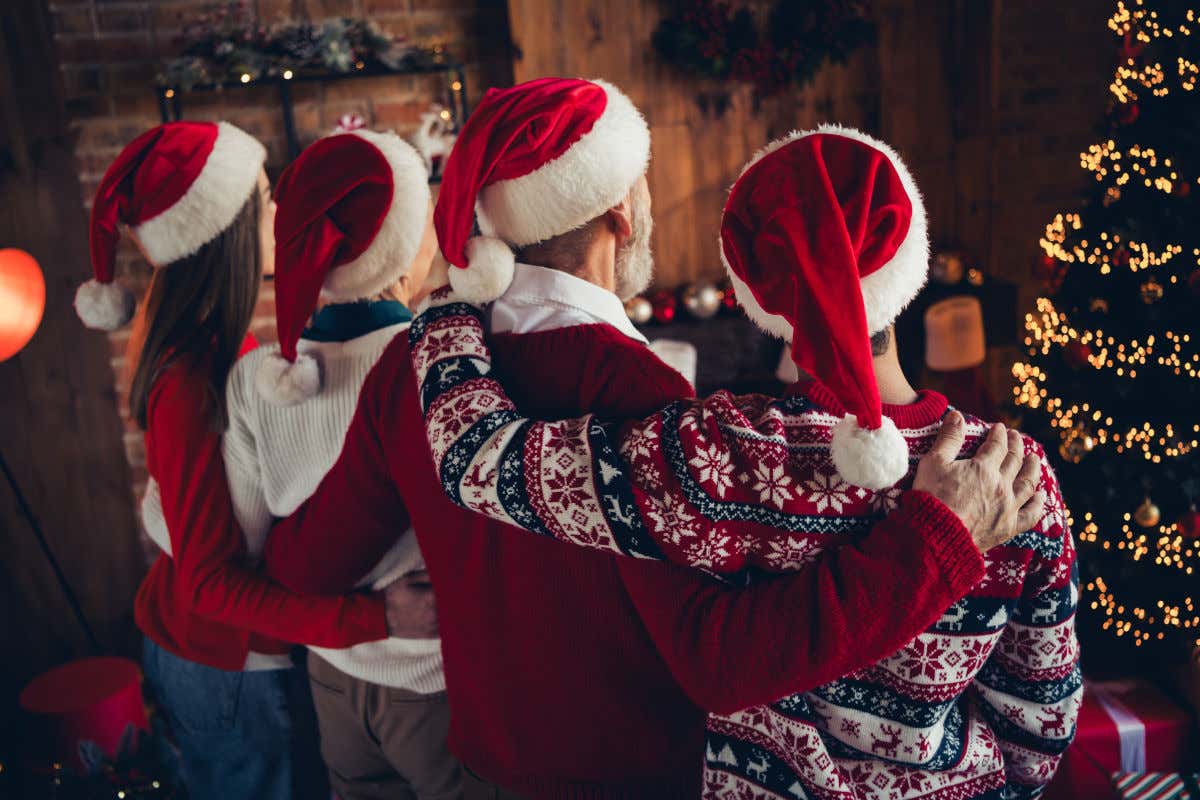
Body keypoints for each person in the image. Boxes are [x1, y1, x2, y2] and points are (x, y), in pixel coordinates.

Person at [265, 79, 1042, 799]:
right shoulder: (644, 394)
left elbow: (314, 558)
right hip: (630, 774)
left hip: (478, 756)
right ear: (622, 214)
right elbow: (719, 653)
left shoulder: (422, 363)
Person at [73, 121, 420, 800]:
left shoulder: (221, 349)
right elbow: (209, 584)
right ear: (228, 228)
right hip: (224, 667)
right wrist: (379, 618)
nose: (283, 212)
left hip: (224, 656)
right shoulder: (195, 378)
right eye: (266, 196)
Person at [222, 127, 461, 799]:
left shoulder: (254, 381)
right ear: (403, 241)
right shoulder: (437, 362)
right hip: (435, 681)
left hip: (330, 675)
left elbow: (243, 548)